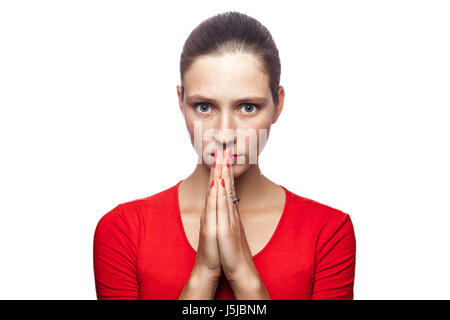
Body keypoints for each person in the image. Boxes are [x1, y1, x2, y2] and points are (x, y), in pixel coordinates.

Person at [93, 11, 356, 300]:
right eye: (205, 107)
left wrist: (243, 273)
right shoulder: (123, 231)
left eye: (247, 107)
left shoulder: (327, 232)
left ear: (278, 104)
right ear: (181, 102)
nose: (225, 133)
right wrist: (203, 273)